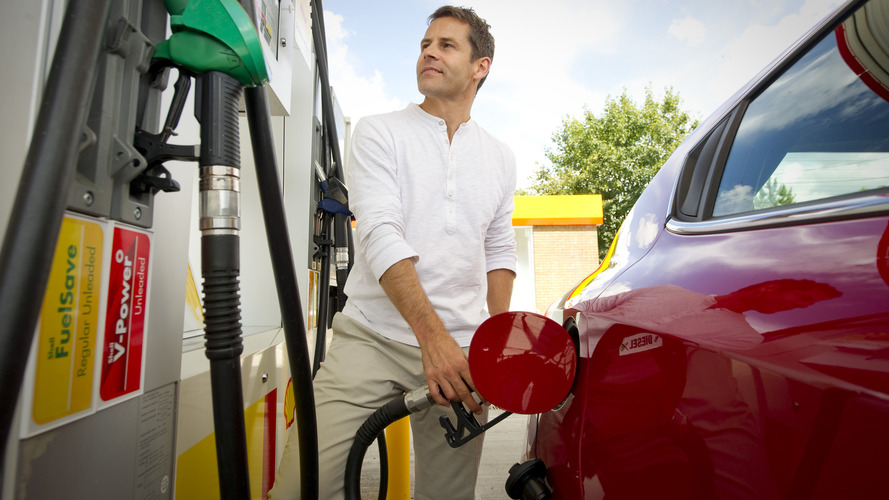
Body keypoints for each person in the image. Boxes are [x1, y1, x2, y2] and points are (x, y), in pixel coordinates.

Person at [269, 5, 517, 499]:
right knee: (303, 486)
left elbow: (498, 249)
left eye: (446, 45)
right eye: (425, 44)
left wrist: (494, 346)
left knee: (446, 496)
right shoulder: (379, 131)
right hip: (373, 337)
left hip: (464, 349)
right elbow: (381, 234)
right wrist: (433, 340)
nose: (429, 52)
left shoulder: (499, 156)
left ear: (480, 66)